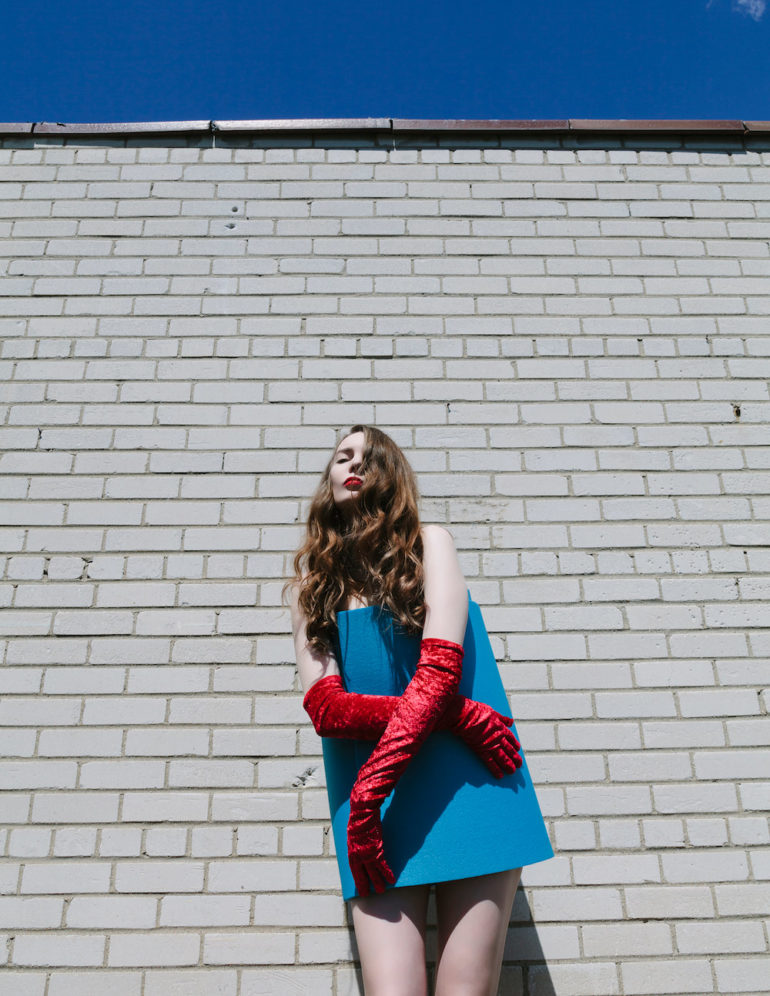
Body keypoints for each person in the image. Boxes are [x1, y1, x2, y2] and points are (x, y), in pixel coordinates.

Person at [284, 424, 554, 996]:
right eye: (342, 456)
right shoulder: (315, 583)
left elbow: (438, 671)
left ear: (391, 474)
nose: (353, 465)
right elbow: (328, 711)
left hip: (470, 786)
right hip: (380, 808)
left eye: (368, 457)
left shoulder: (430, 544)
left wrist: (367, 797)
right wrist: (457, 717)